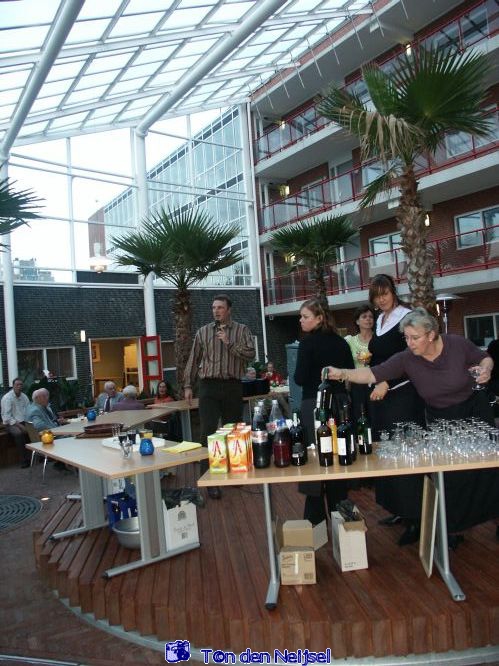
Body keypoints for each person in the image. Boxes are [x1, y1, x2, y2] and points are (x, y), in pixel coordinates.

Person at [326, 307, 499, 544]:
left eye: (414, 337)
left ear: (431, 334)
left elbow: (484, 357)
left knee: (490, 471)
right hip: (441, 420)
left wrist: (486, 369)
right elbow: (372, 374)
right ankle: (453, 529)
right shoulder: (407, 359)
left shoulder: (456, 344)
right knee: (451, 478)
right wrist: (343, 373)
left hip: (474, 413)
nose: (409, 343)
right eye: (406, 338)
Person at [366, 274, 426, 544]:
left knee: (405, 453)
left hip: (402, 395)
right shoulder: (380, 319)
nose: (381, 299)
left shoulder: (407, 317)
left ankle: (416, 519)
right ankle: (399, 509)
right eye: (376, 295)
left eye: (385, 293)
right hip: (382, 395)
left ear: (394, 292)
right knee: (388, 452)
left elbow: (413, 357)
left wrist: (386, 382)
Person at [184, 294, 255, 499]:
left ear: (229, 310)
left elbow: (251, 354)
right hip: (208, 386)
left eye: (220, 308)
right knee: (208, 431)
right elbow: (193, 359)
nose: (216, 311)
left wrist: (229, 343)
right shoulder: (203, 332)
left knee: (233, 431)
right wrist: (188, 385)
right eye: (214, 307)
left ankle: (236, 473)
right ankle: (210, 479)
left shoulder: (242, 330)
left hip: (232, 385)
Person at [294, 298, 354, 525]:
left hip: (315, 405)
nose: (301, 321)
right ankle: (343, 521)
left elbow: (299, 378)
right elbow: (349, 372)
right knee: (337, 455)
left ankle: (315, 522)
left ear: (319, 318)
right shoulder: (341, 342)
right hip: (340, 405)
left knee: (315, 461)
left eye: (305, 317)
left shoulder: (307, 344)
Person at [344, 304, 375, 421]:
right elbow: (347, 366)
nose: (368, 319)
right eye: (364, 316)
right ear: (357, 321)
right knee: (359, 417)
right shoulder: (350, 341)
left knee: (376, 416)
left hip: (375, 382)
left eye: (371, 317)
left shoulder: (378, 339)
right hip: (356, 385)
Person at [1, 378, 30, 468]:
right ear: (13, 386)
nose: (19, 386)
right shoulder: (7, 398)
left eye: (21, 384)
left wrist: (29, 424)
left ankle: (40, 455)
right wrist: (20, 426)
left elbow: (28, 411)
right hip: (10, 423)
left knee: (34, 429)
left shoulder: (24, 397)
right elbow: (7, 417)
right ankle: (24, 461)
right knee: (19, 433)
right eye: (17, 385)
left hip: (23, 421)